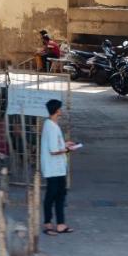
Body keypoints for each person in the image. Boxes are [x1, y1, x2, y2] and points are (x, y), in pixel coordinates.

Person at [41, 98, 75, 236]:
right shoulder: (51, 127)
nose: (61, 111)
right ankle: (48, 224)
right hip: (53, 168)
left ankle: (60, 224)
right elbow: (53, 150)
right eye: (59, 109)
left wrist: (65, 144)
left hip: (57, 168)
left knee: (60, 195)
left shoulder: (51, 125)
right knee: (52, 196)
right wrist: (67, 150)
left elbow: (56, 145)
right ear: (56, 111)